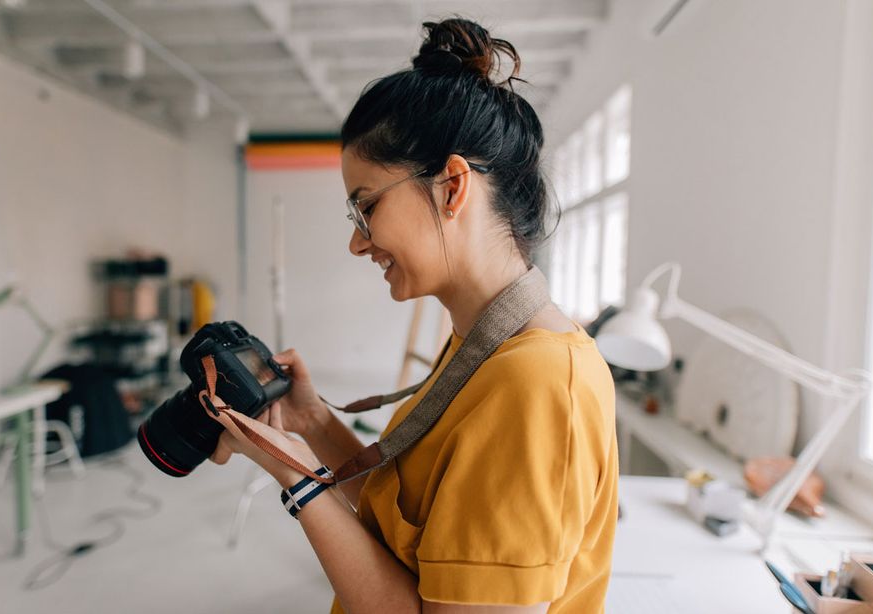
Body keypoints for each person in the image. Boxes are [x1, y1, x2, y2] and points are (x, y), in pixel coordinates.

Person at [207, 18, 619, 614]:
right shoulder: (486, 346)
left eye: (366, 206)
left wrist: (292, 475)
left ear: (452, 187)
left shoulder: (540, 381)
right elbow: (409, 533)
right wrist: (314, 422)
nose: (358, 242)